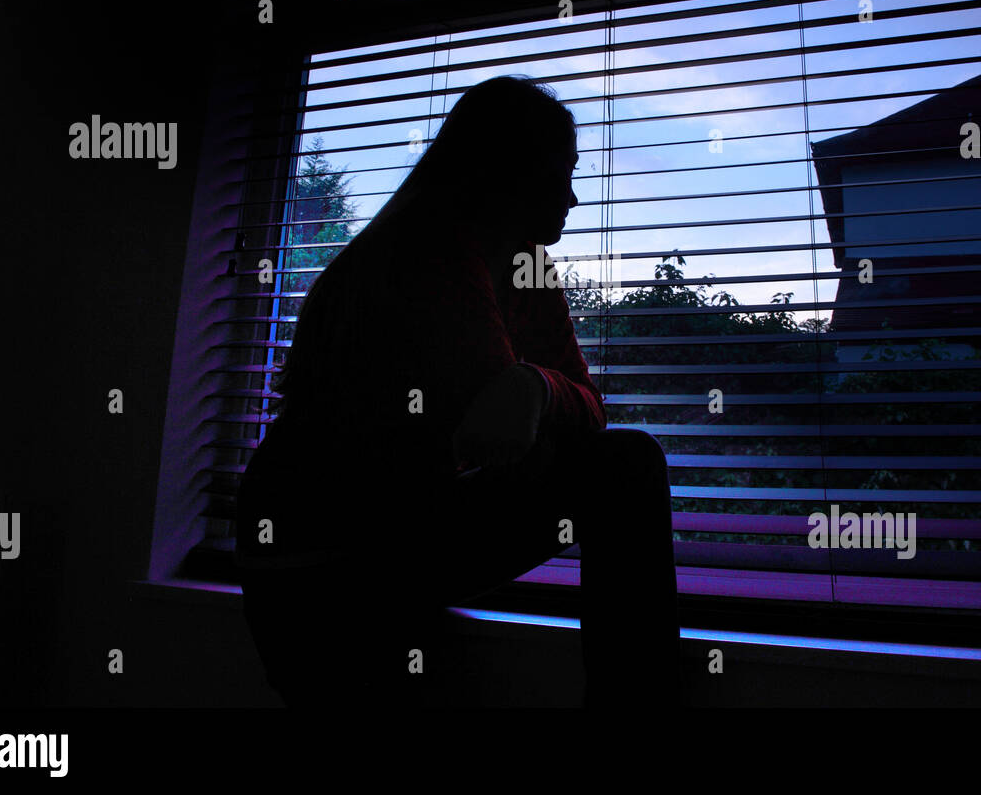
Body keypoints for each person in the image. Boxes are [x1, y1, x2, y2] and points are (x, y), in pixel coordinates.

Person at [235, 75, 680, 707]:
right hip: (319, 566)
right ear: (505, 171)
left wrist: (536, 386)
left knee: (622, 462)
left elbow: (585, 407)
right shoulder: (425, 255)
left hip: (391, 535)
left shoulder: (523, 264)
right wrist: (530, 395)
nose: (575, 197)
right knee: (626, 469)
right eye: (561, 173)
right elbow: (493, 425)